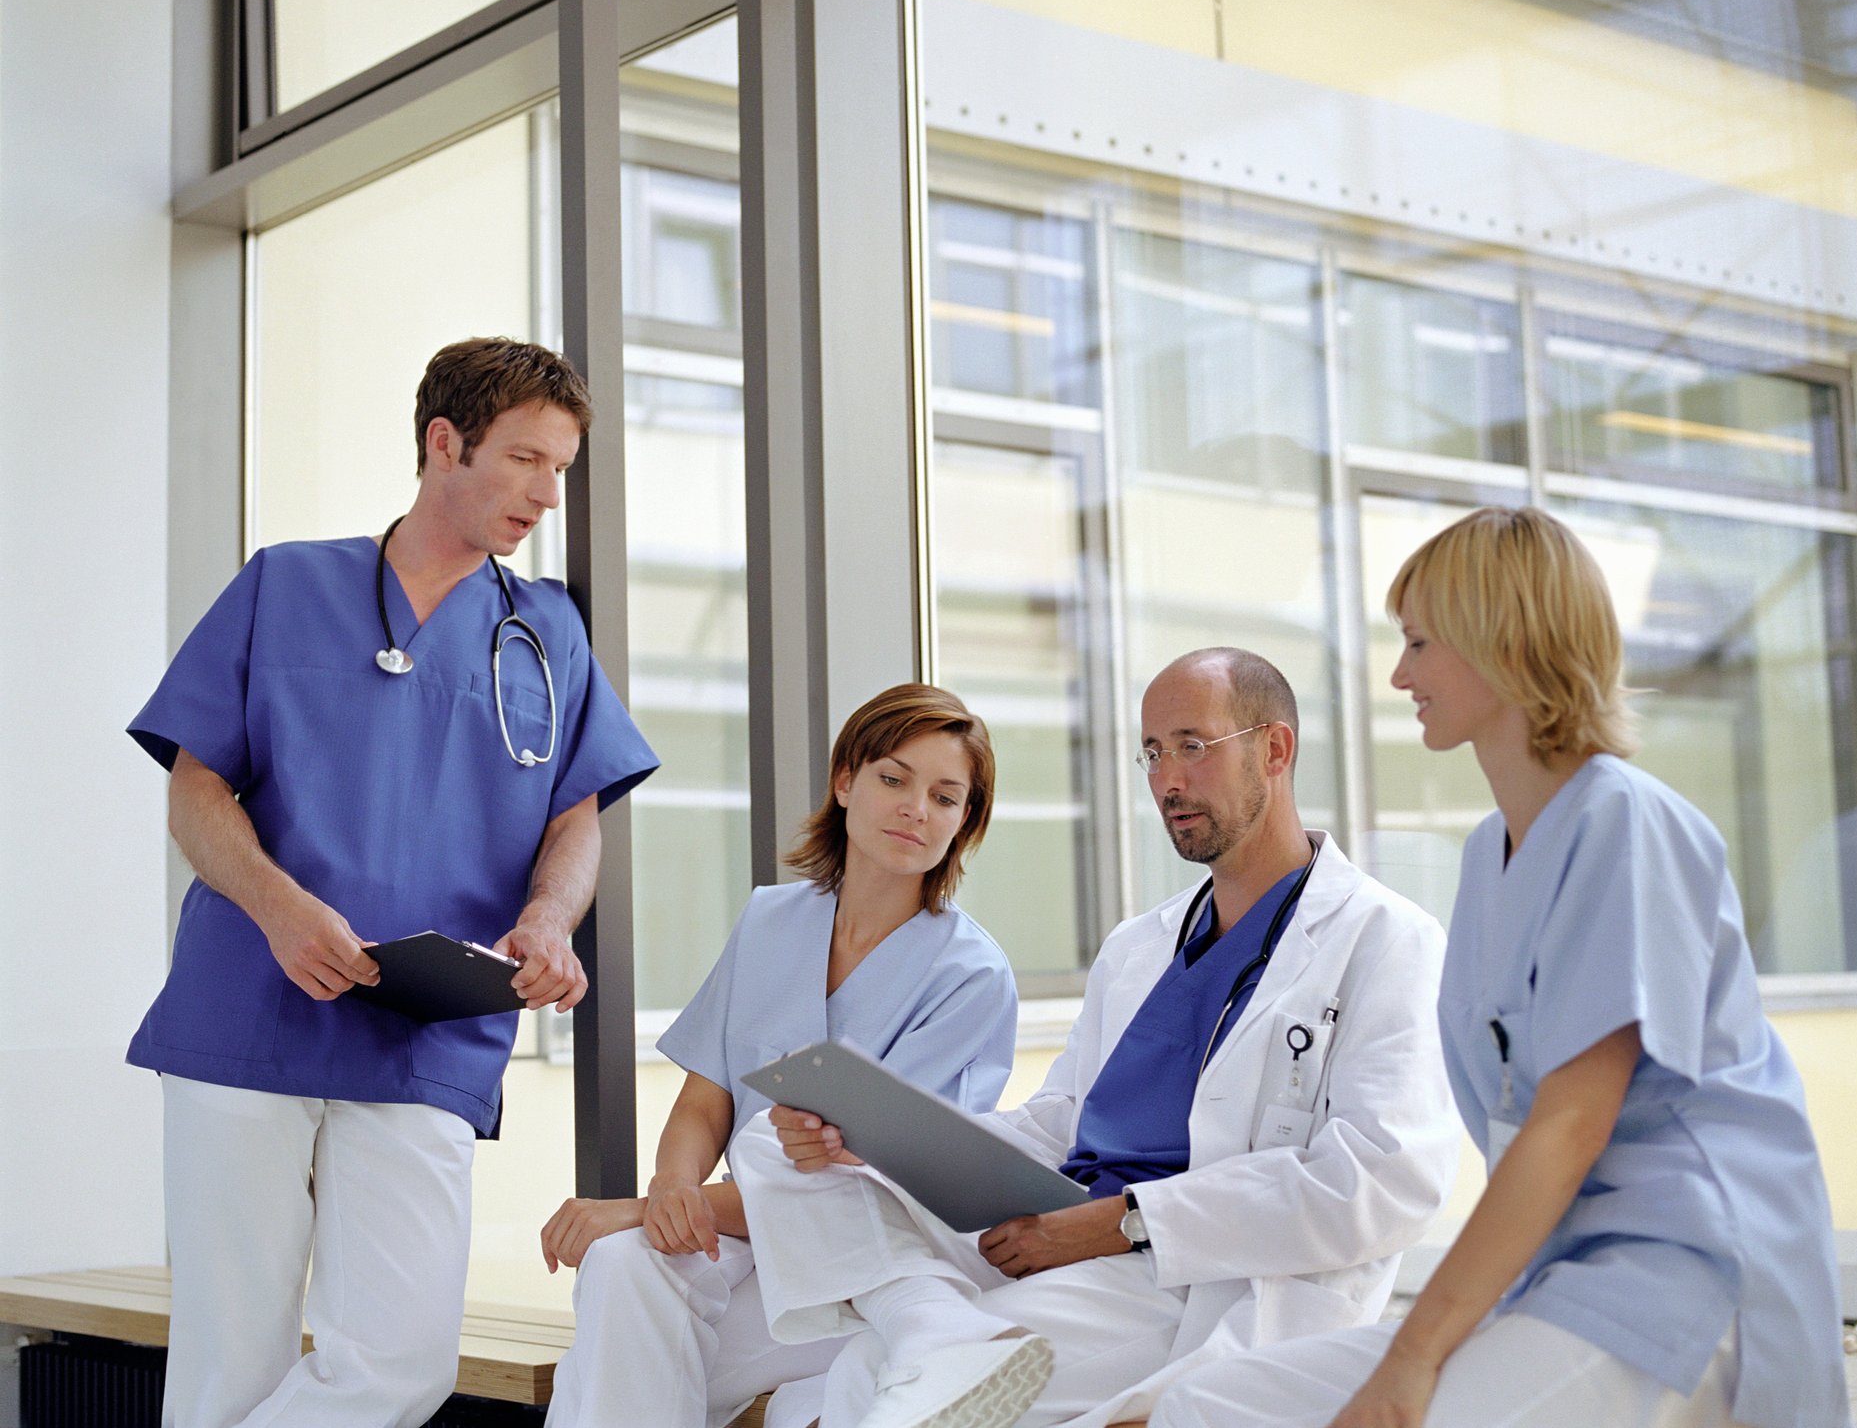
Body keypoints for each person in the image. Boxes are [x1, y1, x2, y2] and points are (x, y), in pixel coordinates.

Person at [1149, 507, 1851, 1428]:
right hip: (1562, 1276)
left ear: (1502, 639)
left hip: (1685, 1280)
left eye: (1418, 643)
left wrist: (1411, 1361)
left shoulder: (1626, 824)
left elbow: (1566, 1125)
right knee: (1211, 1402)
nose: (1399, 674)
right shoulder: (1489, 856)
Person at [125, 338, 659, 1428]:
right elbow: (196, 790)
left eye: (561, 468)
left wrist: (550, 920)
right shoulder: (286, 583)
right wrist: (280, 910)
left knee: (401, 1365)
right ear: (443, 442)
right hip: (252, 1006)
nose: (547, 495)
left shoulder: (546, 628)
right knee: (229, 1360)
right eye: (525, 460)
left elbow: (575, 813)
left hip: (427, 1035)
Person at [728, 647, 1460, 1428]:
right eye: (1152, 753)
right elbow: (1061, 1121)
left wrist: (1119, 1222)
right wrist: (880, 1143)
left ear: (1273, 749)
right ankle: (929, 1319)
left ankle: (930, 1330)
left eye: (1191, 746)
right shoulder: (1140, 945)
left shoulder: (1385, 938)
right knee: (780, 1144)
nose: (1167, 780)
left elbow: (1382, 1184)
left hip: (1188, 1274)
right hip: (1056, 1225)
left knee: (868, 1382)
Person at [537, 684, 1019, 1428]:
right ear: (845, 781)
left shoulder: (971, 975)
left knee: (619, 1344)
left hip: (862, 1262)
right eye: (894, 779)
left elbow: (873, 1183)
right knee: (623, 1262)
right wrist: (671, 1186)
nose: (916, 809)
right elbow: (705, 1100)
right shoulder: (769, 920)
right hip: (744, 1233)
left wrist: (649, 1208)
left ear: (964, 822)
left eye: (945, 797)